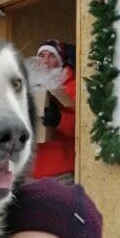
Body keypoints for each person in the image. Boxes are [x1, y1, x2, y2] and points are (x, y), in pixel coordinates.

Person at [31, 40, 77, 181]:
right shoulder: (28, 87)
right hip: (32, 173)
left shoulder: (73, 87)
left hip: (61, 173)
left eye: (51, 55)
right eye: (42, 55)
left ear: (61, 60)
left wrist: (59, 120)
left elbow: (84, 126)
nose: (45, 61)